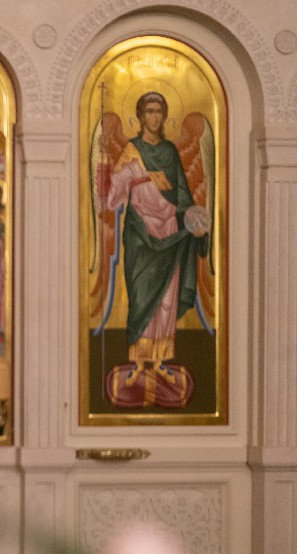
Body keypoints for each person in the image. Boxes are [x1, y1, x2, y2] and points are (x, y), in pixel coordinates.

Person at [96, 90, 209, 405]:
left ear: (164, 115)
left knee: (166, 301)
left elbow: (182, 192)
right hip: (141, 234)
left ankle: (159, 361)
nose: (154, 117)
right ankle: (137, 361)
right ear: (140, 116)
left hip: (170, 229)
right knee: (141, 294)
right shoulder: (132, 151)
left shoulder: (170, 151)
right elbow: (112, 199)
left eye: (159, 111)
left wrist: (194, 221)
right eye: (149, 111)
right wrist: (118, 172)